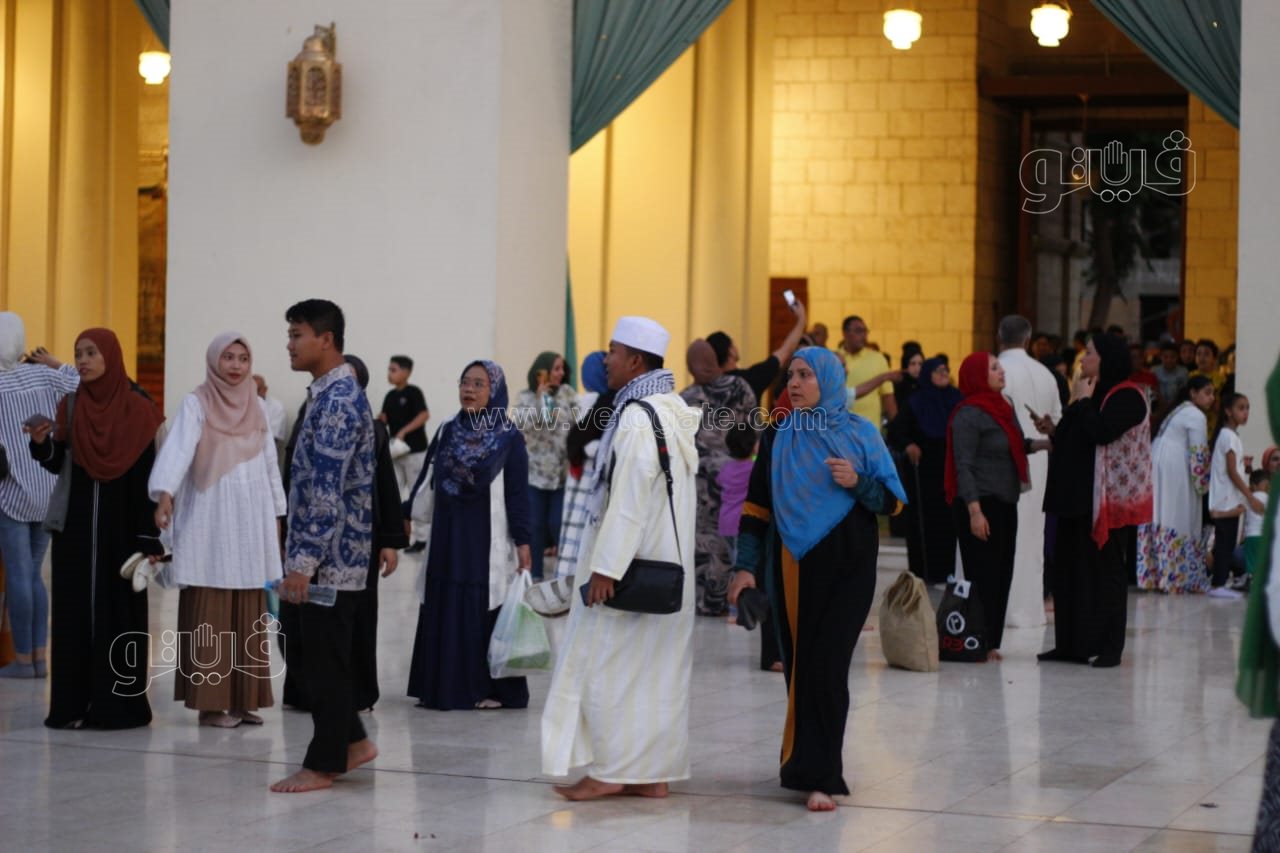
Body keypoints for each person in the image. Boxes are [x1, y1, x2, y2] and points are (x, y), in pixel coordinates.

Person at [727, 346, 906, 811]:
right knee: (802, 668)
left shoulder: (861, 434)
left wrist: (858, 482)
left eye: (806, 374)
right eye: (791, 374)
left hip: (850, 568)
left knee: (829, 666)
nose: (795, 383)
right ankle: (807, 768)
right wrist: (745, 566)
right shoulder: (779, 435)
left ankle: (823, 775)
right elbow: (756, 507)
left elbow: (894, 502)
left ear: (827, 379)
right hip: (793, 567)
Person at [542, 316, 698, 801]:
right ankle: (651, 775)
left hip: (631, 568)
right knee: (658, 676)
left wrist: (606, 568)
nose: (605, 359)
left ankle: (610, 772)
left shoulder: (635, 417)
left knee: (610, 668)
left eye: (613, 351)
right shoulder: (670, 408)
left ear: (635, 361)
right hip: (667, 568)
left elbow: (629, 500)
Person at [271, 299, 387, 794]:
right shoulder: (327, 394)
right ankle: (353, 742)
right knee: (316, 655)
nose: (290, 344)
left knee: (322, 660)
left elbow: (326, 490)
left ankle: (324, 763)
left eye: (297, 335)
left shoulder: (338, 400)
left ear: (326, 339)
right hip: (328, 557)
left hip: (330, 560)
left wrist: (303, 563)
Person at [26, 328, 163, 727]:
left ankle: (118, 708)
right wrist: (42, 445)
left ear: (110, 356)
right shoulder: (71, 405)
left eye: (91, 353)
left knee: (118, 613)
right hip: (76, 528)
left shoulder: (138, 407)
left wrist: (147, 535)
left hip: (123, 530)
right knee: (74, 615)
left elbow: (148, 477)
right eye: (78, 354)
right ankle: (72, 706)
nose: (83, 361)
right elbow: (59, 463)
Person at [148, 332, 287, 728]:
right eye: (228, 357)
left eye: (242, 358)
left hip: (250, 519)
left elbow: (270, 463)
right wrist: (165, 494)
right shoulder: (197, 403)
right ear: (214, 361)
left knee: (248, 606)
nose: (236, 365)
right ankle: (210, 705)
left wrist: (278, 513)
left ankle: (244, 700)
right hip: (209, 518)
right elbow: (178, 451)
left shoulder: (258, 406)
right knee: (211, 603)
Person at [407, 360, 533, 710]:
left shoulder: (508, 437)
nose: (469, 390)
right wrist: (406, 514)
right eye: (465, 382)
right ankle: (442, 687)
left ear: (495, 391)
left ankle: (488, 689)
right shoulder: (448, 429)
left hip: (485, 538)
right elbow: (427, 479)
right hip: (447, 535)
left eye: (479, 384)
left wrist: (523, 541)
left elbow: (518, 494)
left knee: (482, 604)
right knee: (444, 599)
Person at [1037, 333, 1151, 668]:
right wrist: (1054, 427)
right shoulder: (1089, 392)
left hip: (1106, 502)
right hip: (1074, 497)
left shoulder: (1128, 396)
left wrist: (1083, 401)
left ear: (1106, 359)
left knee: (1105, 573)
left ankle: (1109, 647)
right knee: (1069, 572)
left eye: (1089, 353)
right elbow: (1074, 435)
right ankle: (1071, 644)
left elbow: (1101, 431)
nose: (1082, 359)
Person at [946, 352, 1046, 660]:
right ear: (978, 376)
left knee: (1002, 574)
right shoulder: (967, 414)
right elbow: (963, 466)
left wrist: (1045, 443)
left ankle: (990, 641)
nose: (1001, 371)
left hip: (1005, 502)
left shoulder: (1004, 405)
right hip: (979, 504)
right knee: (983, 575)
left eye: (998, 366)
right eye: (993, 367)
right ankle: (976, 638)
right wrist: (975, 512)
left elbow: (1016, 444)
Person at [0, 313, 78, 678]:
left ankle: (22, 660)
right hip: (47, 485)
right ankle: (40, 659)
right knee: (34, 575)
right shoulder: (43, 374)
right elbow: (82, 382)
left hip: (11, 492)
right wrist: (55, 362)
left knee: (19, 575)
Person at [342, 355, 405, 712]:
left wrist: (390, 542)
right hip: (321, 539)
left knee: (362, 615)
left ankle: (361, 692)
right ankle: (313, 690)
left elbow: (386, 487)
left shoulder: (375, 430)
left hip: (364, 538)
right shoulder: (313, 418)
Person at [680, 340, 757, 615]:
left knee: (703, 544)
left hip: (700, 488)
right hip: (737, 483)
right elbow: (754, 429)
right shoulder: (739, 387)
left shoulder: (685, 398)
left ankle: (706, 602)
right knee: (729, 544)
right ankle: (730, 599)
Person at [997, 315, 1063, 629]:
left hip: (1002, 464)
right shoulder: (1046, 374)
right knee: (1032, 537)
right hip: (1040, 462)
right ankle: (1027, 609)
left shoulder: (996, 369)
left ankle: (999, 608)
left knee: (1002, 536)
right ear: (1028, 339)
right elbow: (1057, 423)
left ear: (999, 337)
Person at [1136, 375, 1216, 594]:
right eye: (1207, 392)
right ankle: (1176, 578)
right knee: (1177, 515)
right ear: (1193, 393)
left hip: (1160, 463)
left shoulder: (1178, 410)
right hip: (1175, 467)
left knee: (1160, 515)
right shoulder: (1195, 415)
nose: (1211, 398)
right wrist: (1204, 485)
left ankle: (1154, 575)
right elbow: (1199, 453)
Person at [886, 358, 961, 583]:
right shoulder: (916, 401)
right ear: (928, 374)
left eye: (945, 369)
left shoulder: (957, 398)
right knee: (924, 523)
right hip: (923, 473)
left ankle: (949, 571)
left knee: (950, 523)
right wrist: (909, 445)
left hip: (951, 472)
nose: (943, 373)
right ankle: (925, 572)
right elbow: (896, 431)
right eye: (938, 370)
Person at [512, 352, 576, 580]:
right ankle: (535, 575)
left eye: (562, 369)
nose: (560, 373)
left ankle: (564, 575)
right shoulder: (525, 397)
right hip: (534, 473)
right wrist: (541, 399)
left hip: (561, 473)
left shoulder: (568, 394)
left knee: (558, 524)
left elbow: (579, 422)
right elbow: (523, 425)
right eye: (556, 368)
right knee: (535, 526)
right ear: (542, 370)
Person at [555, 351, 612, 579]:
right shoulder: (606, 402)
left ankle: (566, 578)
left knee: (573, 530)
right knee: (587, 532)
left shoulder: (583, 400)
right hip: (593, 476)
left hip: (579, 475)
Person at [1208, 392, 1262, 599]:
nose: (1245, 412)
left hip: (1229, 498)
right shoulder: (1228, 436)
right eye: (1241, 408)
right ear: (1228, 411)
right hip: (1225, 499)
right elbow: (1231, 472)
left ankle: (1219, 582)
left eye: (1247, 408)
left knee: (1227, 541)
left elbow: (1233, 468)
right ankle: (1218, 584)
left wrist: (1244, 468)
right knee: (1225, 543)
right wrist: (1250, 496)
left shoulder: (1230, 435)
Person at [706, 298, 807, 402]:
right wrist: (802, 319)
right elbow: (786, 350)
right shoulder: (750, 379)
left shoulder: (706, 388)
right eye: (733, 344)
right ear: (731, 351)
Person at [379, 354, 430, 553]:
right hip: (396, 454)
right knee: (393, 493)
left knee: (418, 493)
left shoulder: (414, 393)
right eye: (389, 369)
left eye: (394, 370)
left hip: (415, 452)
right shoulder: (389, 396)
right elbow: (384, 418)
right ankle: (396, 534)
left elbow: (424, 415)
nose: (389, 374)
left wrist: (404, 431)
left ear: (406, 372)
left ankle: (422, 538)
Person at [838, 315, 899, 424]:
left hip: (869, 430)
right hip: (839, 428)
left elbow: (887, 396)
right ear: (845, 333)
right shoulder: (834, 358)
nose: (863, 335)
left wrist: (897, 427)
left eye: (865, 331)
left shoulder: (878, 359)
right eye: (858, 331)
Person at [1192, 339, 1228, 436]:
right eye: (1198, 354)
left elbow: (1222, 407)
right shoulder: (1190, 377)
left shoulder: (1221, 379)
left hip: (1213, 426)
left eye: (1206, 354)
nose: (1202, 357)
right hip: (1193, 424)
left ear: (1214, 358)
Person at [253, 374, 289, 447]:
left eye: (257, 390)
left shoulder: (276, 407)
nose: (253, 394)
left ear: (265, 389)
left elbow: (274, 437)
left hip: (266, 449)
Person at [1152, 341, 1189, 408]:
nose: (1169, 360)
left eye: (1172, 357)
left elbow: (1184, 393)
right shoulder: (1154, 371)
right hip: (1158, 407)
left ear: (1177, 357)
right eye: (1165, 357)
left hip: (1178, 406)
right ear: (1160, 357)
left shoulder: (1183, 372)